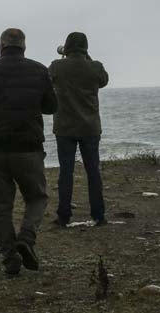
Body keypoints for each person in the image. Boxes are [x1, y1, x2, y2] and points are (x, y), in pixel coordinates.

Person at [0, 28, 58, 276]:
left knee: (1, 207)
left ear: (1, 46)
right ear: (24, 47)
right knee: (37, 197)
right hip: (28, 147)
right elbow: (51, 106)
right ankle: (26, 237)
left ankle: (9, 258)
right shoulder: (39, 70)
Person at [49, 32, 109, 227]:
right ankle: (98, 215)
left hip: (65, 127)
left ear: (67, 47)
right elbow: (104, 80)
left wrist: (64, 56)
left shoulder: (57, 66)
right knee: (93, 172)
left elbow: (49, 82)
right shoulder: (95, 67)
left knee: (66, 172)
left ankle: (64, 216)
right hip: (90, 127)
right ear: (86, 47)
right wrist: (87, 58)